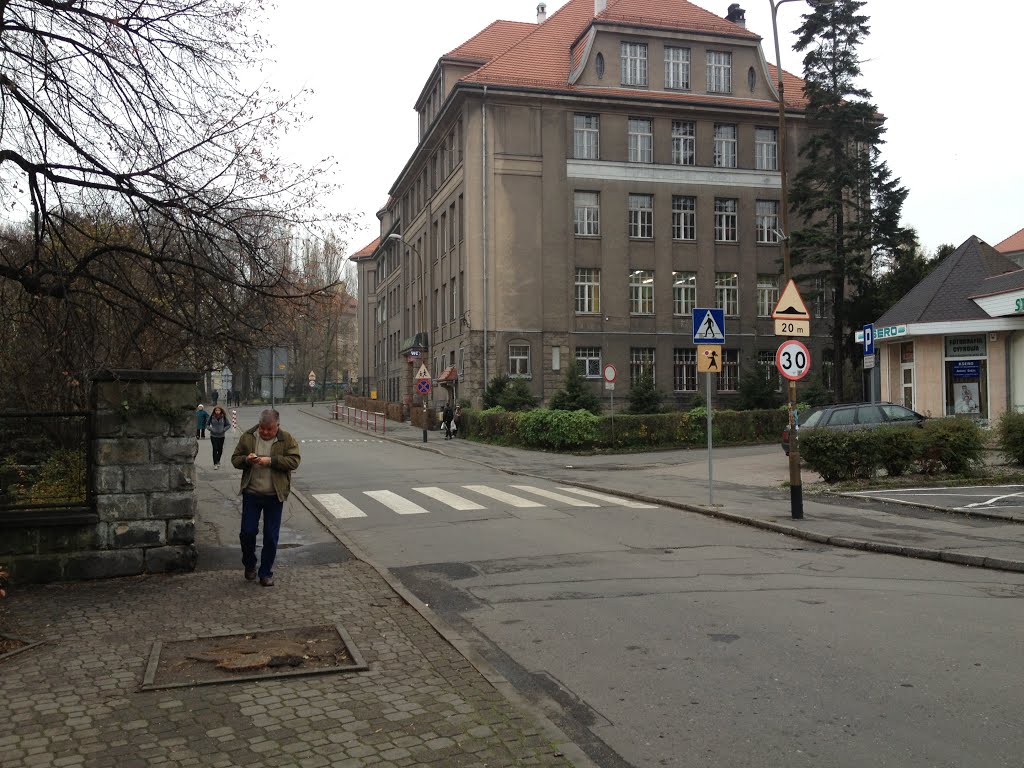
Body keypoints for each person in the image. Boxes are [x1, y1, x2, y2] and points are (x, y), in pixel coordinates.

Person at [230, 409, 301, 587]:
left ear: (277, 426)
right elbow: (235, 459)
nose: (265, 432)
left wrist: (271, 461)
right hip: (251, 493)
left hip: (274, 494)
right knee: (247, 532)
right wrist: (247, 459)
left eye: (269, 429)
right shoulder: (248, 436)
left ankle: (265, 573)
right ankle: (250, 564)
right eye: (262, 428)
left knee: (270, 536)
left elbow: (294, 461)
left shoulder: (286, 439)